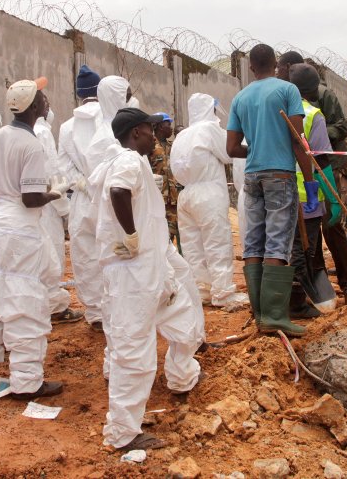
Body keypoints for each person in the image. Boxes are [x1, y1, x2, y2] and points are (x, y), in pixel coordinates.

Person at [88, 107, 203, 451]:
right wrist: (131, 234)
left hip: (150, 270)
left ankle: (183, 376)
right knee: (133, 353)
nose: (155, 135)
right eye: (151, 130)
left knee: (184, 315)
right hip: (133, 275)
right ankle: (123, 432)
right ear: (137, 131)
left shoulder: (119, 162)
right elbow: (119, 192)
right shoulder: (128, 161)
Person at [0, 77, 66, 398]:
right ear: (33, 106)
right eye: (42, 97)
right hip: (20, 227)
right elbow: (31, 198)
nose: (47, 100)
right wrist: (54, 193)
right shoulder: (31, 145)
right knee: (25, 300)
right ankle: (26, 381)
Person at [226, 43, 314, 336]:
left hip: (252, 177)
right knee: (277, 242)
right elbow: (298, 140)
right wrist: (310, 182)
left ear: (251, 67)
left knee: (253, 242)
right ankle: (274, 317)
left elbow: (231, 148)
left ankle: (260, 313)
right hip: (280, 175)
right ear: (277, 63)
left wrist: (258, 147)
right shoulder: (287, 91)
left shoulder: (240, 97)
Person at [278, 52, 347, 275]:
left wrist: (316, 137)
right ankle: (318, 276)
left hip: (327, 170)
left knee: (331, 226)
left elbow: (341, 126)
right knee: (308, 235)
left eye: (280, 68)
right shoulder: (282, 103)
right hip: (300, 180)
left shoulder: (323, 96)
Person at [171, 93, 247, 307]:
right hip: (208, 192)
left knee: (193, 246)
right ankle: (223, 294)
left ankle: (202, 290)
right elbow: (229, 153)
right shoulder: (208, 129)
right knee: (217, 243)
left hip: (186, 194)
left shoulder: (182, 135)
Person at [287, 64, 347, 313]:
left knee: (284, 248)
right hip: (308, 193)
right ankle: (296, 303)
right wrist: (333, 198)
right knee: (305, 249)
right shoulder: (312, 114)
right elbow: (321, 161)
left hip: (277, 192)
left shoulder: (274, 111)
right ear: (314, 92)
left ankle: (271, 304)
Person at [57, 66, 104, 330]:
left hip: (82, 200)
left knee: (85, 255)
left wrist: (85, 186)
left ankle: (96, 313)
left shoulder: (66, 127)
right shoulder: (110, 117)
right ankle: (116, 308)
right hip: (110, 196)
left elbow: (63, 166)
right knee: (115, 251)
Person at [34, 107, 83, 324]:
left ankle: (42, 304)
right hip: (48, 204)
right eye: (45, 103)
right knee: (53, 256)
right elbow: (53, 174)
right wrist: (65, 209)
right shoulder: (43, 132)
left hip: (35, 204)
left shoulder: (26, 131)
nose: (50, 109)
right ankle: (53, 307)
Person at [149, 112, 180, 244]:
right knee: (156, 233)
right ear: (161, 126)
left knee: (171, 234)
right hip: (156, 199)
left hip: (172, 200)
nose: (171, 128)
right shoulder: (149, 146)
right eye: (168, 124)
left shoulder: (172, 146)